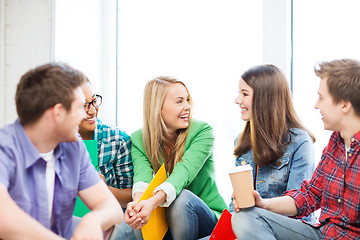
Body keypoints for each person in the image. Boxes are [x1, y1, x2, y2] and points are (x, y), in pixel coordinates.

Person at [231, 59, 360, 239]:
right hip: (322, 234)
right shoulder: (335, 144)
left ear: (344, 105)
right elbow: (309, 196)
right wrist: (262, 204)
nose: (316, 105)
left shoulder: (300, 141)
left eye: (321, 98)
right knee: (245, 217)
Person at [0, 62, 123, 239]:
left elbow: (111, 207)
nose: (85, 114)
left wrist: (93, 220)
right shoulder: (4, 147)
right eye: (80, 107)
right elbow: (3, 217)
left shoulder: (74, 147)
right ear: (58, 112)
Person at [124, 76, 227, 239]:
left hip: (209, 218)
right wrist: (138, 205)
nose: (187, 106)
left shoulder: (203, 131)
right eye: (179, 102)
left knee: (181, 198)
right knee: (138, 216)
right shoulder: (138, 139)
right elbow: (141, 178)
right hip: (170, 219)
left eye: (187, 100)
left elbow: (183, 173)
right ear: (157, 107)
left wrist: (151, 202)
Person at [230, 64, 316, 223]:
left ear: (265, 99)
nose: (237, 100)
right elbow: (236, 204)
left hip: (287, 228)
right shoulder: (241, 141)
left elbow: (298, 207)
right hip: (250, 225)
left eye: (244, 94)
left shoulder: (300, 142)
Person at [79, 80, 133, 208]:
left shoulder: (118, 140)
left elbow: (133, 197)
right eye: (83, 105)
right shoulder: (52, 142)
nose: (92, 111)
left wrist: (105, 189)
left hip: (109, 218)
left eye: (94, 101)